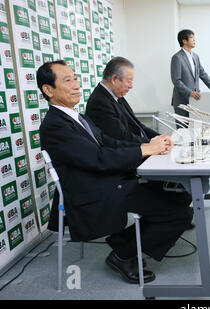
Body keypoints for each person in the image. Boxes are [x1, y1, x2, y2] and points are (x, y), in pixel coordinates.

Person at [38, 60, 192, 284]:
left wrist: (150, 146)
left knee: (178, 197)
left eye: (75, 79)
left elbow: (109, 143)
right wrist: (145, 149)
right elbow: (98, 159)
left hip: (107, 180)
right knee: (179, 213)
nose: (76, 85)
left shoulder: (76, 117)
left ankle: (122, 241)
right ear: (48, 90)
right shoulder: (54, 125)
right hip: (94, 192)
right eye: (67, 80)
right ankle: (123, 254)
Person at [85, 57, 159, 143]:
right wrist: (152, 143)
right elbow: (122, 137)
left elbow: (137, 125)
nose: (131, 86)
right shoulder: (99, 103)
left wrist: (160, 137)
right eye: (129, 81)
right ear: (114, 79)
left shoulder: (117, 94)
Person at [170, 29, 210, 119]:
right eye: (192, 38)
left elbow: (203, 74)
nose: (194, 40)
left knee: (196, 129)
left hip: (196, 101)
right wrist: (190, 92)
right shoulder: (177, 58)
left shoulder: (195, 57)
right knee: (183, 131)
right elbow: (176, 80)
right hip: (182, 101)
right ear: (184, 41)